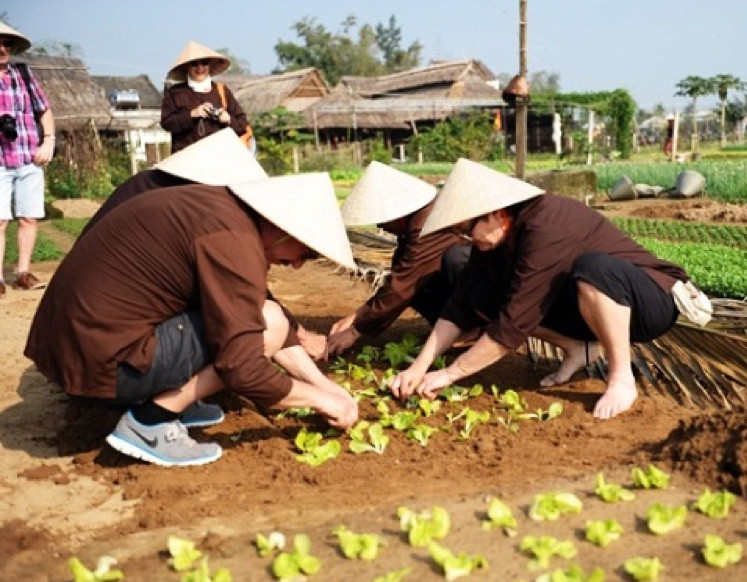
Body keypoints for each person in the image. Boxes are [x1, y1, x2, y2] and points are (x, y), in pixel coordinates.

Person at [25, 173, 359, 466]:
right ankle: (151, 420)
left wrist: (326, 386)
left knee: (261, 317)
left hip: (78, 349)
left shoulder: (221, 211)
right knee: (265, 322)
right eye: (307, 252)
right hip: (104, 365)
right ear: (286, 230)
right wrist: (321, 401)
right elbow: (242, 367)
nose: (300, 264)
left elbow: (252, 309)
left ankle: (166, 395)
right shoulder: (234, 240)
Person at [389, 158, 692, 420]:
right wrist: (419, 367)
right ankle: (578, 348)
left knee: (593, 268)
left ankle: (621, 379)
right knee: (483, 282)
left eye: (467, 230)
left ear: (496, 213)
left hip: (651, 301)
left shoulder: (544, 227)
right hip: (588, 305)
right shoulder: (497, 238)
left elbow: (514, 323)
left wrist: (449, 374)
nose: (468, 240)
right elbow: (461, 304)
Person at [80, 129, 330, 361]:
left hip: (90, 324)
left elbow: (244, 285)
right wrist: (298, 336)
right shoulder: (200, 213)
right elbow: (241, 292)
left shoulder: (151, 186)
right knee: (237, 334)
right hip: (116, 345)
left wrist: (296, 332)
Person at [327, 161, 471, 356]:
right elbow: (400, 276)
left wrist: (354, 330)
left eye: (382, 218)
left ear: (398, 212)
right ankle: (454, 327)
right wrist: (357, 316)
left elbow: (402, 284)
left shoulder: (429, 222)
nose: (380, 226)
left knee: (455, 259)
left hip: (492, 282)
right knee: (412, 276)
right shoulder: (416, 222)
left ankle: (474, 328)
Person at [0, 21, 55, 294]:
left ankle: (23, 273)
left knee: (29, 218)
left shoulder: (22, 74)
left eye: (6, 44)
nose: (2, 49)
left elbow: (44, 111)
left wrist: (49, 141)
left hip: (29, 157)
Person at [160, 41, 249, 153]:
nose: (200, 67)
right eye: (194, 64)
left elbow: (242, 125)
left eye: (204, 63)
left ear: (210, 66)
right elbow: (167, 123)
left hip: (220, 156)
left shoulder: (222, 91)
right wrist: (191, 114)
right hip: (185, 159)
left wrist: (228, 119)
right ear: (187, 66)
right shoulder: (175, 92)